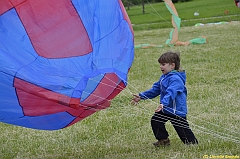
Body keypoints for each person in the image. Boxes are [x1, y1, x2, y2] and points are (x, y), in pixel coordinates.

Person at [131, 51, 198, 147]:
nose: (160, 67)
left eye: (163, 64)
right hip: (165, 108)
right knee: (156, 121)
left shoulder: (176, 79)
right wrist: (141, 96)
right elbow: (155, 90)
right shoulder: (164, 77)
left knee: (182, 129)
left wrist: (163, 103)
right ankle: (163, 140)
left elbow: (171, 93)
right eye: (160, 64)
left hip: (176, 111)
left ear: (172, 66)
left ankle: (192, 143)